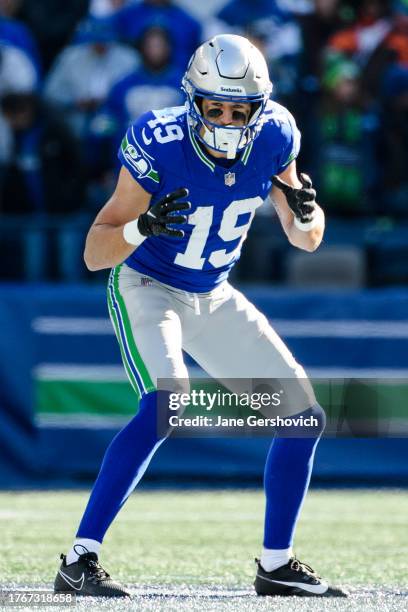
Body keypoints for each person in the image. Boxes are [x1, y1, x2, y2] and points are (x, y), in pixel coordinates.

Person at [54, 34, 347, 598]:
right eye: (216, 107)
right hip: (149, 284)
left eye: (241, 110)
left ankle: (276, 563)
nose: (229, 120)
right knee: (168, 403)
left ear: (259, 108)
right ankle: (78, 560)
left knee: (302, 417)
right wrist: (143, 227)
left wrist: (309, 211)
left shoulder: (278, 133)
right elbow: (95, 252)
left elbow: (305, 238)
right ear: (193, 100)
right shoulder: (157, 140)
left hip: (213, 292)